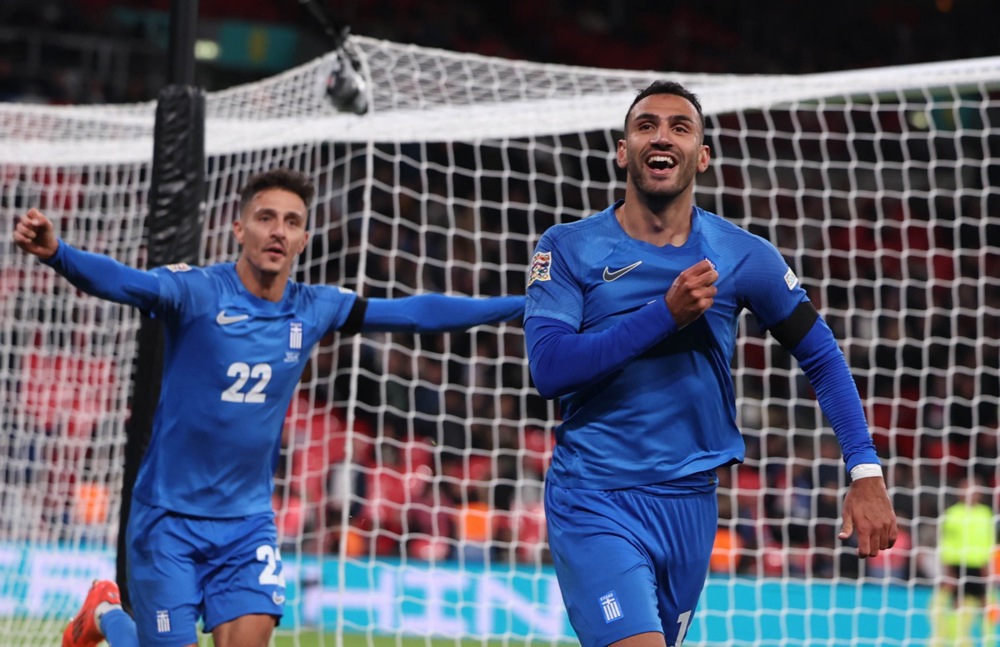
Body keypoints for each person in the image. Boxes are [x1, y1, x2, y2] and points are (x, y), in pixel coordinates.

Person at [13, 167, 525, 647]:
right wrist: (59, 252)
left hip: (246, 523)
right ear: (239, 228)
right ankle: (106, 611)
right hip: (168, 520)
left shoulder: (314, 306)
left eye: (292, 222)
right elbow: (123, 281)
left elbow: (416, 313)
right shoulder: (198, 292)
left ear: (304, 239)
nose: (278, 231)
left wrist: (521, 305)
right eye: (265, 217)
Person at [522, 80, 898, 647]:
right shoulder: (568, 246)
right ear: (623, 150)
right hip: (595, 496)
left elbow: (821, 355)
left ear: (701, 156)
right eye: (645, 125)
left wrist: (864, 470)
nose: (661, 136)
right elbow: (549, 370)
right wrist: (664, 315)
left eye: (680, 126)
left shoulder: (742, 255)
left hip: (692, 505)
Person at [931, 476, 997, 646]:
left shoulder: (986, 513)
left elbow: (989, 540)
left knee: (985, 603)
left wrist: (988, 564)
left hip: (979, 564)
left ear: (979, 494)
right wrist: (948, 568)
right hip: (958, 564)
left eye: (973, 490)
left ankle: (988, 638)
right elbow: (946, 541)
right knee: (957, 603)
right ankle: (955, 638)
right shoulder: (952, 513)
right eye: (965, 489)